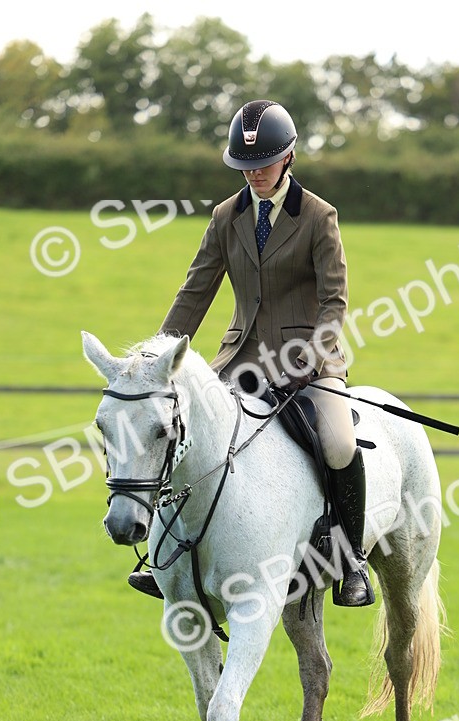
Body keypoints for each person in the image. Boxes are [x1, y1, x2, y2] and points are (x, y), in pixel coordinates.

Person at [128, 99, 374, 608]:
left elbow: (335, 301)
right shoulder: (225, 216)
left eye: (263, 163)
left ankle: (351, 561)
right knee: (182, 430)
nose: (254, 174)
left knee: (339, 444)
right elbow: (196, 291)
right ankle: (163, 556)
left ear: (288, 157)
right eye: (245, 167)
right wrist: (158, 359)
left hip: (310, 361)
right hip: (239, 361)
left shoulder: (318, 216)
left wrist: (312, 354)